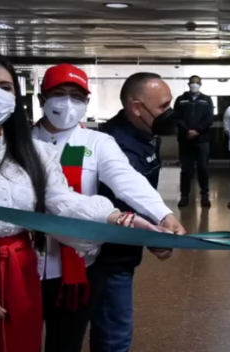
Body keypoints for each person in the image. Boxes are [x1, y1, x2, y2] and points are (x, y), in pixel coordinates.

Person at [0, 54, 163, 352]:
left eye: (5, 87)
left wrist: (121, 219)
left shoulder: (33, 152)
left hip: (22, 271)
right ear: (41, 98)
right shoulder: (35, 142)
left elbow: (63, 202)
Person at [32, 65, 185, 352]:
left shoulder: (97, 142)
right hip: (27, 264)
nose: (67, 103)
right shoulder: (22, 143)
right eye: (59, 94)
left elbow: (127, 180)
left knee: (66, 342)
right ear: (42, 99)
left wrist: (164, 214)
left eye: (76, 96)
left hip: (79, 265)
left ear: (86, 103)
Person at [91, 72, 186, 352]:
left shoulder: (146, 134)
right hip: (109, 256)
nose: (168, 113)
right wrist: (152, 236)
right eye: (162, 107)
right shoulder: (114, 145)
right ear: (136, 107)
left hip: (127, 250)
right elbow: (118, 204)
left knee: (115, 330)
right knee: (114, 335)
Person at [173, 75, 214, 208]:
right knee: (186, 169)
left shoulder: (206, 100)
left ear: (200, 84)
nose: (194, 85)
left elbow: (209, 118)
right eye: (192, 83)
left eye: (197, 83)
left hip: (202, 140)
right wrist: (187, 131)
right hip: (185, 140)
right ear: (188, 84)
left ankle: (205, 196)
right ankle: (184, 196)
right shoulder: (181, 99)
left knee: (203, 168)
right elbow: (176, 117)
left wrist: (197, 130)